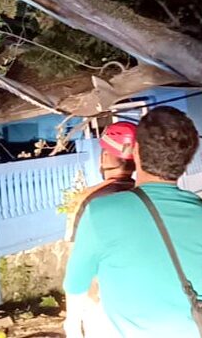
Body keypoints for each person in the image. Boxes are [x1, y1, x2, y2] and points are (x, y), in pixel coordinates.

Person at [64, 107, 202, 338]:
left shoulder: (100, 211)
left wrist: (73, 328)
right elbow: (200, 289)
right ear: (186, 159)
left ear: (136, 151)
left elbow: (76, 286)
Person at [63, 122, 137, 338]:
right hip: (143, 299)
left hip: (103, 306)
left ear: (105, 157)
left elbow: (76, 262)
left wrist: (73, 323)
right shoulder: (145, 195)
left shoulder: (88, 200)